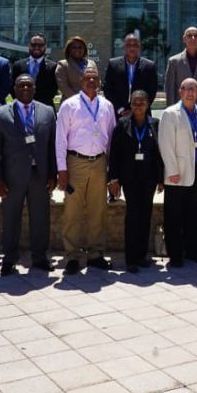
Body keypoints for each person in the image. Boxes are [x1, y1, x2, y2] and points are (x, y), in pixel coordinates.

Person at [0, 74, 58, 275]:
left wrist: (53, 174)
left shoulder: (48, 112)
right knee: (10, 218)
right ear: (14, 89)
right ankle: (9, 258)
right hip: (11, 177)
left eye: (29, 85)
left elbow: (53, 145)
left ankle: (40, 257)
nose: (25, 88)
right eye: (21, 85)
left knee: (41, 218)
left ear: (35, 88)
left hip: (40, 175)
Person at [55, 68, 115, 274]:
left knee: (98, 210)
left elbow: (111, 138)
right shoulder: (69, 105)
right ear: (80, 80)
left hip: (99, 163)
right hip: (75, 163)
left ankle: (96, 253)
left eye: (94, 78)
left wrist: (111, 170)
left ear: (99, 82)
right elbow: (60, 139)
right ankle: (72, 256)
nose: (91, 81)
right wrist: (62, 170)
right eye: (87, 77)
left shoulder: (107, 105)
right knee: (73, 210)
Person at [107, 89, 163, 273]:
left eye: (142, 102)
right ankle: (131, 258)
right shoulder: (122, 125)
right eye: (134, 102)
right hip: (129, 178)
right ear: (130, 105)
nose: (138, 106)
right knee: (132, 216)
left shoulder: (155, 124)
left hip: (149, 178)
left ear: (148, 105)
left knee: (146, 215)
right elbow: (114, 155)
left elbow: (159, 153)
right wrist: (113, 179)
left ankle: (142, 255)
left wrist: (161, 178)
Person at [157, 78, 197, 267]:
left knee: (194, 215)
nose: (190, 92)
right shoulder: (170, 114)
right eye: (186, 89)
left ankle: (194, 251)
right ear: (180, 91)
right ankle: (176, 255)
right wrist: (171, 170)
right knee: (174, 216)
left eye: (194, 89)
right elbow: (165, 143)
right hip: (177, 172)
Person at [103, 33, 158, 117]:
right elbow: (108, 90)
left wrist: (136, 110)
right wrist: (120, 109)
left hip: (142, 115)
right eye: (129, 45)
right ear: (124, 47)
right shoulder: (113, 64)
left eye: (135, 45)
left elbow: (151, 92)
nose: (132, 48)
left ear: (139, 47)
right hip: (118, 114)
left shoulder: (149, 66)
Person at [165, 27, 197, 109]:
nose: (193, 38)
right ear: (184, 39)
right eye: (189, 35)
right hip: (180, 110)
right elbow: (170, 90)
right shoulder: (174, 62)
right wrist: (171, 110)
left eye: (196, 36)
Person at [11, 34, 59, 110]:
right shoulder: (18, 65)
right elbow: (12, 88)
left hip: (45, 109)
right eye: (33, 44)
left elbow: (53, 90)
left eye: (40, 45)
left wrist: (36, 105)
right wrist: (25, 103)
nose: (36, 47)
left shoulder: (53, 66)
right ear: (29, 46)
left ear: (45, 47)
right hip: (22, 108)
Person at [55, 36, 98, 102]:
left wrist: (91, 97)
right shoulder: (63, 64)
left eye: (80, 47)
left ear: (84, 49)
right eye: (74, 47)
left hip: (91, 102)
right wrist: (80, 100)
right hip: (71, 103)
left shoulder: (92, 63)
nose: (77, 50)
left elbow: (97, 82)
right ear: (69, 49)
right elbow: (63, 87)